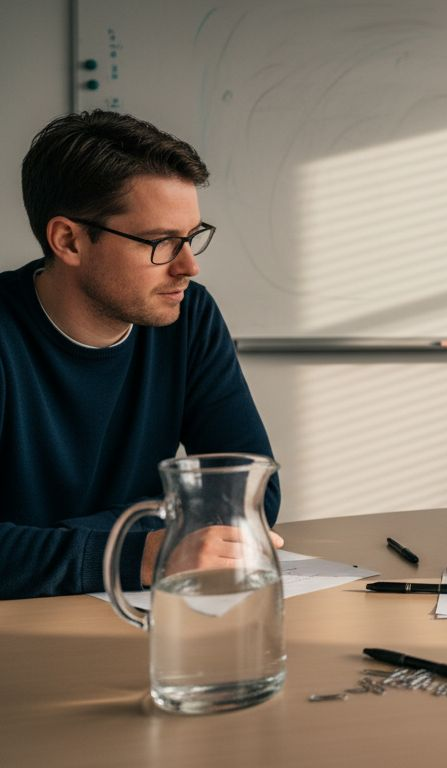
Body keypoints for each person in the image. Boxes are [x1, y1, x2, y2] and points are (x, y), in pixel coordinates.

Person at [0, 110, 282, 599]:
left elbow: (251, 494)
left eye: (191, 237)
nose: (188, 266)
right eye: (160, 242)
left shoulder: (188, 316)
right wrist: (141, 551)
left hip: (133, 613)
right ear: (68, 240)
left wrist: (44, 542)